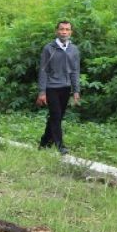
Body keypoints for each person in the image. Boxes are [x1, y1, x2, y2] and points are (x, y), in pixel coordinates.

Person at [37, 20, 81, 154]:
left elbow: (75, 71)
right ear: (56, 31)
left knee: (57, 117)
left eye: (67, 29)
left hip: (66, 88)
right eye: (62, 29)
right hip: (51, 87)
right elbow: (43, 70)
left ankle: (44, 143)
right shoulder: (49, 48)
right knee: (56, 116)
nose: (64, 32)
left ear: (71, 32)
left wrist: (76, 90)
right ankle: (60, 146)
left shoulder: (74, 49)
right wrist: (42, 92)